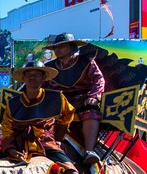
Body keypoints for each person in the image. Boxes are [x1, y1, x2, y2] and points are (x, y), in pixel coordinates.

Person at [0, 61, 82, 174]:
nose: (32, 77)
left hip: (46, 142)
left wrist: (58, 137)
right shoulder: (12, 103)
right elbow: (7, 130)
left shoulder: (56, 97)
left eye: (37, 74)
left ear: (43, 78)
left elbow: (68, 114)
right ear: (23, 78)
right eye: (29, 75)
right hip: (19, 144)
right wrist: (11, 150)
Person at [43, 33, 105, 165]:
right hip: (58, 101)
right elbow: (41, 85)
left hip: (81, 99)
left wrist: (94, 96)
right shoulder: (48, 67)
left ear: (72, 47)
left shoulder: (86, 62)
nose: (57, 50)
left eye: (61, 46)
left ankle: (89, 151)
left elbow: (98, 80)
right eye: (55, 47)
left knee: (91, 108)